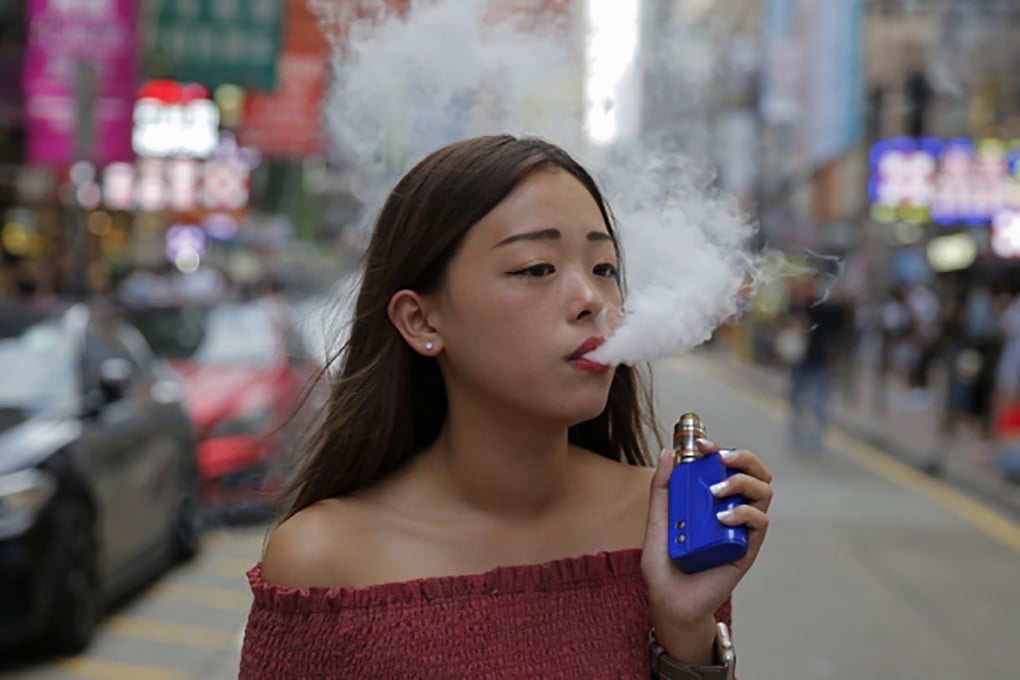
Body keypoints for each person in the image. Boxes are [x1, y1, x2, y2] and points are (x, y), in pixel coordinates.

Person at [239, 135, 773, 678]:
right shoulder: (320, 559)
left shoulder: (663, 526)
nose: (593, 299)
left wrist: (686, 633)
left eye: (604, 268)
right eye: (537, 268)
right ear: (421, 321)